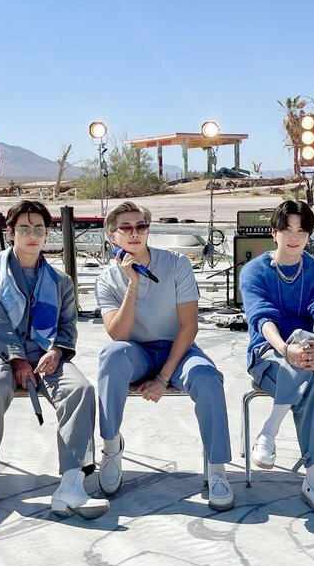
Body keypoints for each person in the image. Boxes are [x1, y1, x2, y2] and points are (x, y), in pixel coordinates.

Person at [0, 200, 108, 519]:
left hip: (45, 351)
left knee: (79, 389)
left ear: (47, 233)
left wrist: (57, 351)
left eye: (38, 229)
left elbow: (67, 325)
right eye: (24, 229)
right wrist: (16, 358)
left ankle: (71, 484)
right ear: (10, 232)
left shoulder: (61, 281)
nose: (31, 235)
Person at [95, 200, 234, 510]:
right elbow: (119, 335)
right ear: (111, 236)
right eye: (126, 228)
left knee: (208, 377)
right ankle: (111, 446)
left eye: (141, 226)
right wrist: (132, 283)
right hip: (137, 353)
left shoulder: (176, 264)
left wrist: (162, 379)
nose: (135, 233)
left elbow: (189, 326)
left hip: (177, 350)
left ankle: (216, 468)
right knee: (111, 356)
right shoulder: (106, 279)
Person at [239, 200, 314, 517]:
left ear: (309, 235)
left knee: (308, 344)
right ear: (274, 232)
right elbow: (262, 318)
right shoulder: (254, 271)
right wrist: (286, 350)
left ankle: (269, 431)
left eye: (301, 230)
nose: (294, 237)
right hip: (267, 354)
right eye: (287, 230)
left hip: (313, 352)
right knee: (313, 384)